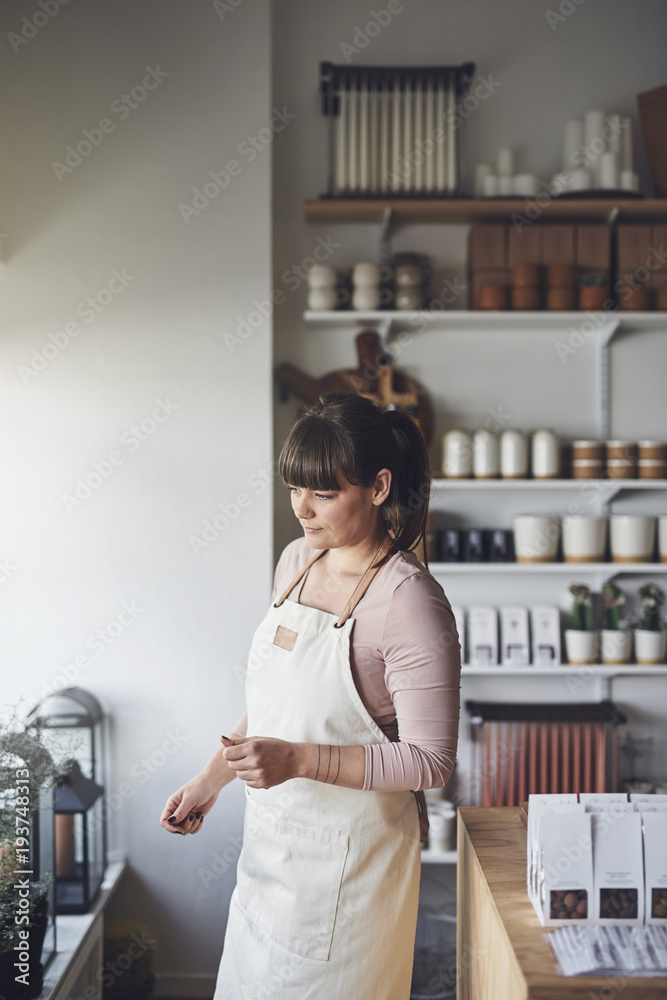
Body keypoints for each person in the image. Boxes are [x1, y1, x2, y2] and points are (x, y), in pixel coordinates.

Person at [160, 392, 461, 1000]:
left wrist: (297, 760)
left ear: (378, 487)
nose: (302, 508)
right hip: (270, 861)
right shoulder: (297, 559)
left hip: (351, 881)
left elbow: (430, 763)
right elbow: (278, 702)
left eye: (324, 493)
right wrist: (211, 779)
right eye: (296, 487)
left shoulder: (408, 602)